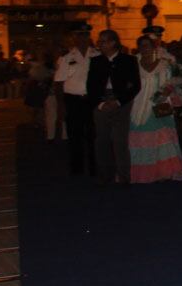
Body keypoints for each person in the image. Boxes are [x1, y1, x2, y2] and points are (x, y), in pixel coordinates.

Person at [127, 34, 182, 184]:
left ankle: (164, 170)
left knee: (163, 136)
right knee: (140, 137)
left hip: (160, 104)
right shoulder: (133, 64)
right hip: (139, 105)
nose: (145, 49)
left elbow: (176, 81)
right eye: (142, 46)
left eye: (148, 45)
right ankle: (143, 172)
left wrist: (168, 90)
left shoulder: (165, 64)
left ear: (154, 47)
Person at [85, 29, 139, 184]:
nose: (99, 44)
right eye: (99, 42)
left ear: (113, 42)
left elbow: (135, 86)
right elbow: (91, 86)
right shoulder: (96, 61)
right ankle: (104, 176)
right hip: (101, 102)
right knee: (101, 141)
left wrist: (118, 102)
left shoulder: (128, 60)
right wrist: (100, 103)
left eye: (102, 41)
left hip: (120, 104)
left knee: (120, 141)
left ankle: (124, 177)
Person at [56, 27, 96, 174]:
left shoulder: (97, 55)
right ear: (75, 37)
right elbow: (59, 82)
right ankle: (77, 168)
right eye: (80, 35)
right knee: (75, 135)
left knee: (93, 135)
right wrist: (61, 105)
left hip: (92, 100)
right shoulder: (66, 57)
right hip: (73, 100)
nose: (83, 38)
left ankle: (94, 168)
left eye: (86, 35)